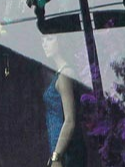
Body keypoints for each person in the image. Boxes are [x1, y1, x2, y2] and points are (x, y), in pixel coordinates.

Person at [41, 34, 85, 167]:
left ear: (60, 41)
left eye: (50, 39)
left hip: (67, 151)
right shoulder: (59, 73)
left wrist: (57, 156)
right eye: (43, 40)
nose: (44, 44)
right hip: (60, 150)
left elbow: (70, 120)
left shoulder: (65, 74)